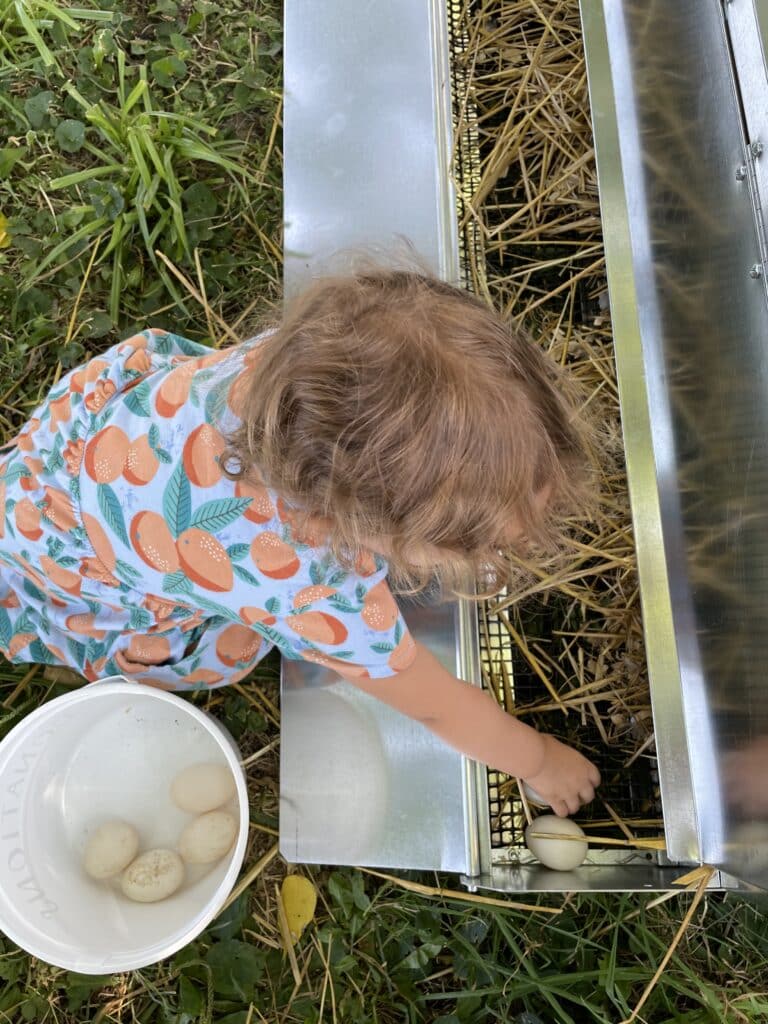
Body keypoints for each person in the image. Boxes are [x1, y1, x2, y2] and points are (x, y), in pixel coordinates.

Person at [0, 269, 600, 817]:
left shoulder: (308, 375)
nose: (493, 563)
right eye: (480, 547)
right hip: (69, 560)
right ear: (353, 525)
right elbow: (436, 704)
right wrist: (539, 760)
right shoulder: (315, 589)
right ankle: (97, 642)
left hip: (82, 447)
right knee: (225, 651)